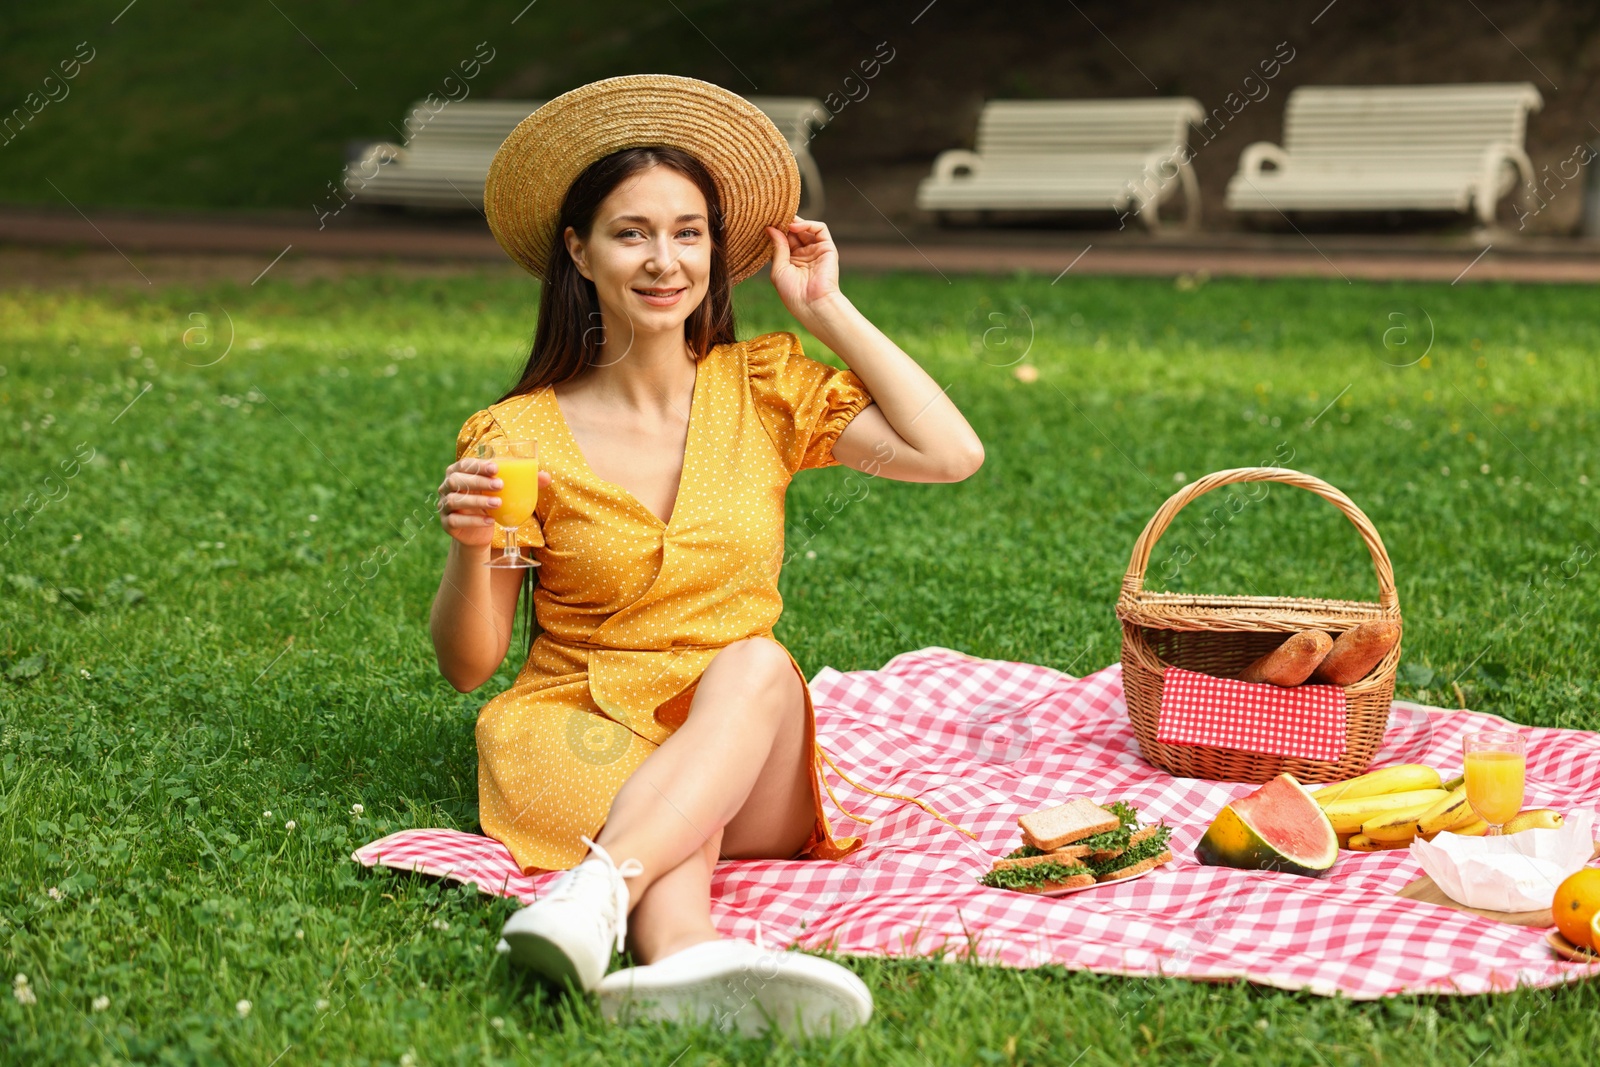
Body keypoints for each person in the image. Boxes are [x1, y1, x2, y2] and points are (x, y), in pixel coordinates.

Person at [428, 75, 983, 1039]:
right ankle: (678, 952)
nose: (664, 261)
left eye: (689, 233)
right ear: (579, 250)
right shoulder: (516, 436)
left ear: (718, 254)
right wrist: (469, 550)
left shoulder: (763, 388)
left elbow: (951, 453)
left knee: (759, 663)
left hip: (744, 741)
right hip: (576, 729)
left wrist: (828, 309)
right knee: (670, 800)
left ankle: (592, 893)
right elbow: (469, 664)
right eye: (631, 232)